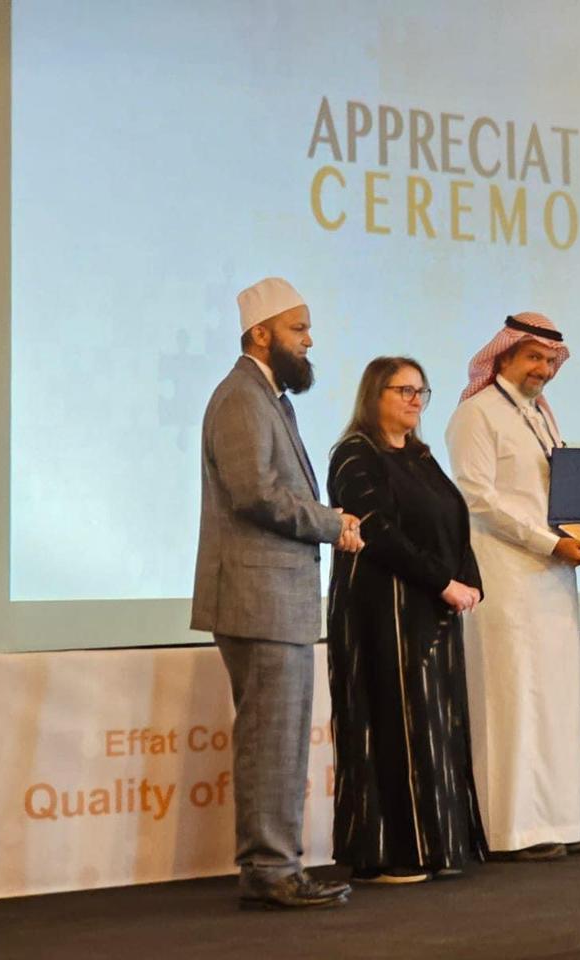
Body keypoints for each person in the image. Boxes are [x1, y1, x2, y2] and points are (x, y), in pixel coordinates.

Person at [190, 276, 365, 909]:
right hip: (258, 598)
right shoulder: (242, 397)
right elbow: (255, 493)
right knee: (272, 738)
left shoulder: (268, 397)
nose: (309, 340)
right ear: (261, 334)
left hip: (274, 599)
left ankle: (276, 865)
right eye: (298, 329)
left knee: (281, 737)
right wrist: (331, 522)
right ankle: (270, 869)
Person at [445, 313, 580, 861]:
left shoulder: (541, 415)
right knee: (512, 701)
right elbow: (478, 500)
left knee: (555, 700)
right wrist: (547, 543)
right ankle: (511, 832)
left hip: (553, 576)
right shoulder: (476, 414)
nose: (543, 369)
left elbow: (555, 493)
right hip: (505, 578)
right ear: (504, 356)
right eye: (533, 357)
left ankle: (558, 821)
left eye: (550, 361)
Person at [326, 357, 488, 884]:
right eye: (404, 391)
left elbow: (454, 520)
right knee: (390, 727)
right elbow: (378, 531)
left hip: (430, 610)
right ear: (374, 395)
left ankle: (435, 846)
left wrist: (469, 580)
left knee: (432, 728)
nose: (416, 400)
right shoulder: (355, 455)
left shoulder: (419, 455)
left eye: (422, 391)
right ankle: (389, 854)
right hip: (381, 614)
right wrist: (443, 583)